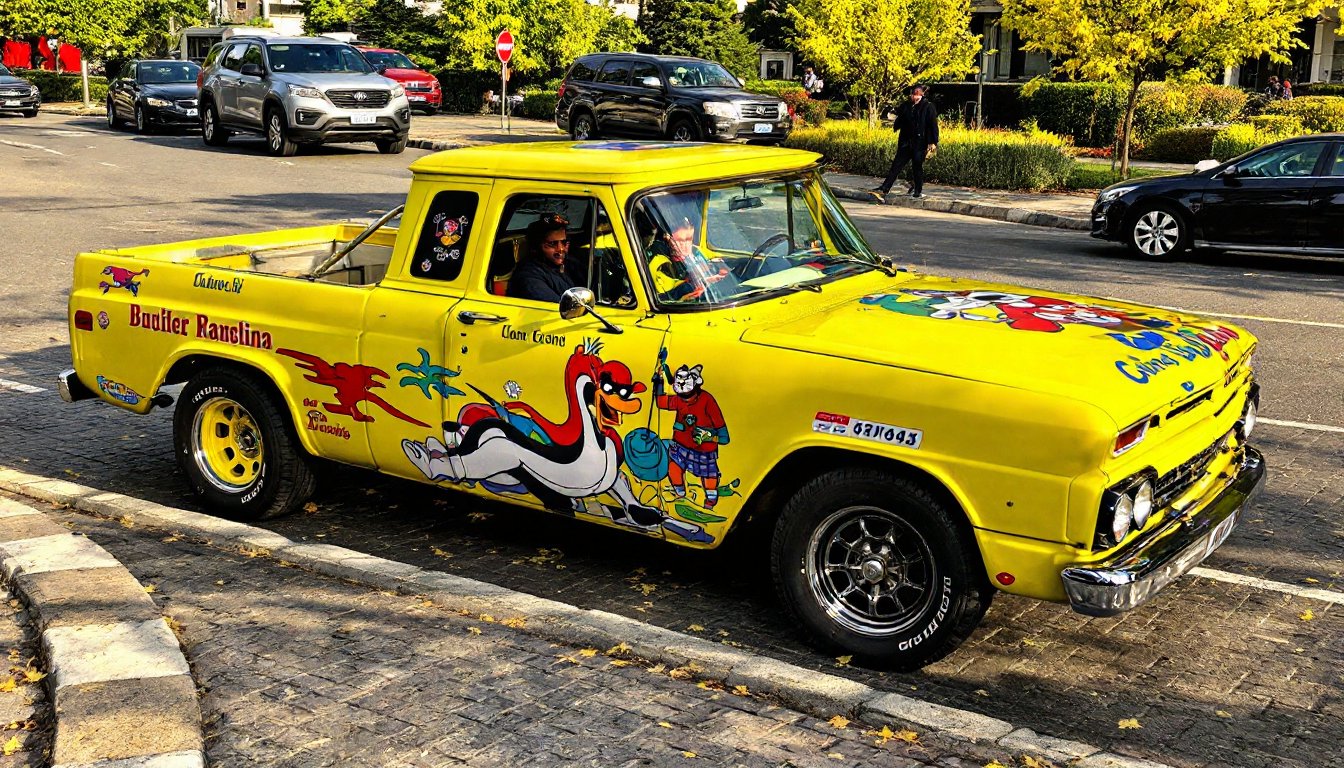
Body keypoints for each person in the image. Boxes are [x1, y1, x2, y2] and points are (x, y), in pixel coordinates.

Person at [647, 217, 741, 303]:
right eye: (679, 240)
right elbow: (664, 297)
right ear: (667, 239)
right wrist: (683, 298)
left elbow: (699, 277)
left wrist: (711, 277)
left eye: (689, 239)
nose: (685, 245)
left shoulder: (695, 252)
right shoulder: (662, 263)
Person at [871, 85, 939, 199]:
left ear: (920, 94)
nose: (913, 96)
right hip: (906, 141)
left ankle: (918, 190)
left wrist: (933, 142)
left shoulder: (928, 106)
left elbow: (932, 125)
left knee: (917, 166)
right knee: (896, 165)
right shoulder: (906, 105)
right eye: (912, 94)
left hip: (920, 142)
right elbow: (900, 117)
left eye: (915, 94)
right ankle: (885, 187)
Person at [507, 213, 578, 302]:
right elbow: (556, 308)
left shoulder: (568, 264)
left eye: (564, 242)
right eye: (552, 244)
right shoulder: (529, 277)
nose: (560, 249)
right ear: (536, 247)